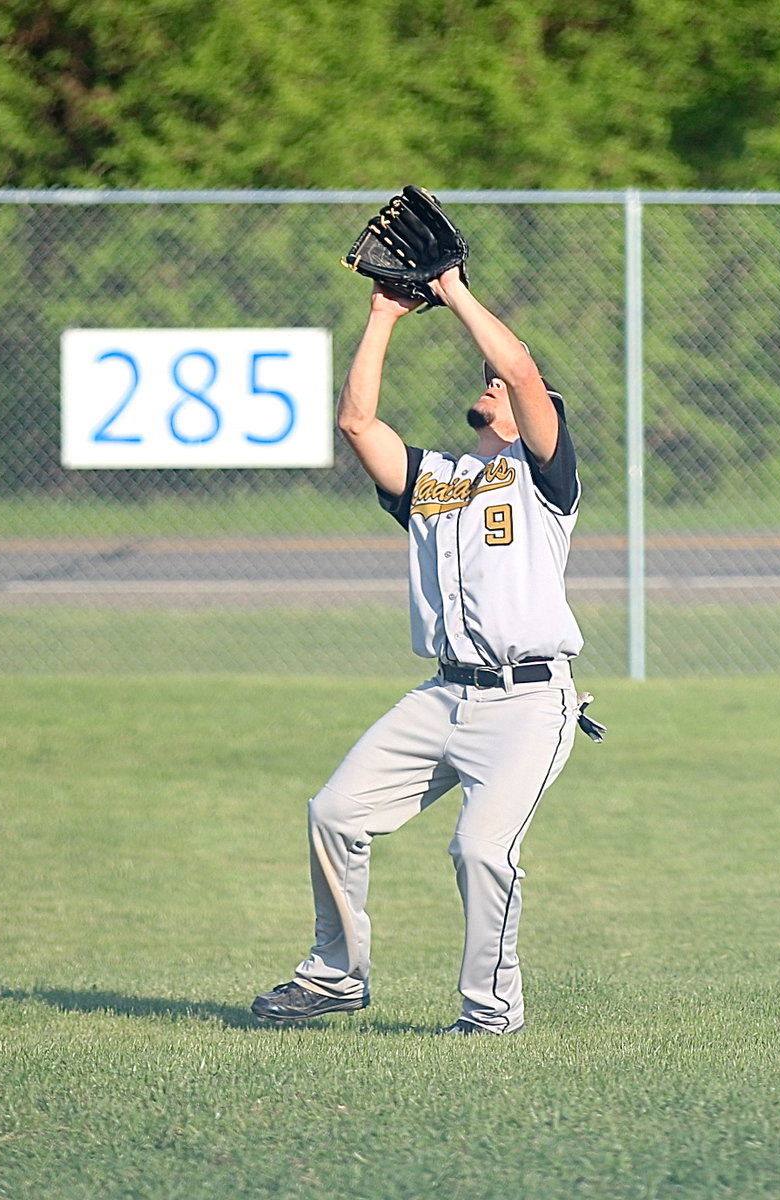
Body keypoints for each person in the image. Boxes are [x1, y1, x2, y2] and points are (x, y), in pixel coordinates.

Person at [252, 266, 594, 1035]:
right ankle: (336, 976)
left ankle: (490, 1015)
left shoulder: (542, 479)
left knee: (479, 849)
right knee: (335, 812)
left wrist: (453, 287)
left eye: (504, 385)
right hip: (442, 697)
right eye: (492, 382)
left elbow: (520, 366)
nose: (495, 384)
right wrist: (384, 315)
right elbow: (357, 424)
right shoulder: (435, 479)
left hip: (529, 704)